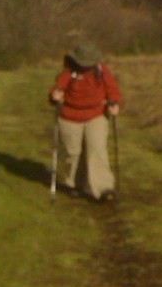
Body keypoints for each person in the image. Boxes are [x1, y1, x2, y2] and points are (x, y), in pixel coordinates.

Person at [48, 43, 122, 201]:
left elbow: (112, 88)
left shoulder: (101, 69)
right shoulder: (69, 70)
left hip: (96, 115)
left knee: (97, 149)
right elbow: (58, 87)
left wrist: (114, 103)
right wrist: (56, 95)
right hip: (69, 117)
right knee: (73, 154)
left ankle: (104, 188)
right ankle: (74, 184)